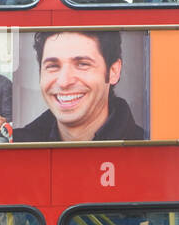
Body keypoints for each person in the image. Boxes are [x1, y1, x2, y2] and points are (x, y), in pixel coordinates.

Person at [16, 30, 147, 142]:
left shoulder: (145, 147)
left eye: (82, 64)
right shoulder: (17, 146)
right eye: (53, 66)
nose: (64, 82)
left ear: (113, 71)